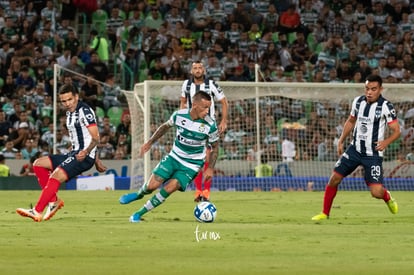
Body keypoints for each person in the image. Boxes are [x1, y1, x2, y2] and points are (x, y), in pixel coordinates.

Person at [118, 91, 219, 223]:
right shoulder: (179, 115)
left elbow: (215, 147)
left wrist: (210, 168)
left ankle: (138, 213)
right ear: (194, 105)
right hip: (174, 157)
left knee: (170, 187)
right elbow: (164, 127)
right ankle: (138, 194)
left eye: (209, 108)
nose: (207, 111)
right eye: (204, 107)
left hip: (192, 165)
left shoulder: (210, 125)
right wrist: (149, 142)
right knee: (152, 186)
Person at [311, 75, 401, 221]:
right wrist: (340, 141)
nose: (369, 92)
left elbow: (397, 131)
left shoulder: (386, 106)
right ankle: (325, 213)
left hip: (373, 154)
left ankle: (387, 196)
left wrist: (386, 142)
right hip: (355, 149)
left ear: (380, 89)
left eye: (373, 89)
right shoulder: (358, 102)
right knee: (334, 178)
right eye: (367, 89)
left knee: (376, 192)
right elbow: (351, 121)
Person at [16, 84, 107, 222]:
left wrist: (91, 155)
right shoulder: (70, 112)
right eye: (63, 101)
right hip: (74, 153)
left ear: (76, 97)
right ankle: (54, 201)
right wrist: (96, 159)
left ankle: (37, 211)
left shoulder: (85, 111)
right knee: (38, 164)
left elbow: (95, 137)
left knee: (56, 176)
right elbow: (84, 137)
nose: (67, 103)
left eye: (70, 99)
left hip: (84, 156)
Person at [180, 60, 228, 202]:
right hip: (192, 125)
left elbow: (224, 101)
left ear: (204, 71)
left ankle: (206, 192)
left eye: (200, 68)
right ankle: (198, 191)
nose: (198, 70)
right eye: (195, 68)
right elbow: (183, 103)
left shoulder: (211, 84)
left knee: (208, 157)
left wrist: (224, 120)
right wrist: (182, 119)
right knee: (195, 158)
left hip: (208, 125)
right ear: (191, 71)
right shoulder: (186, 85)